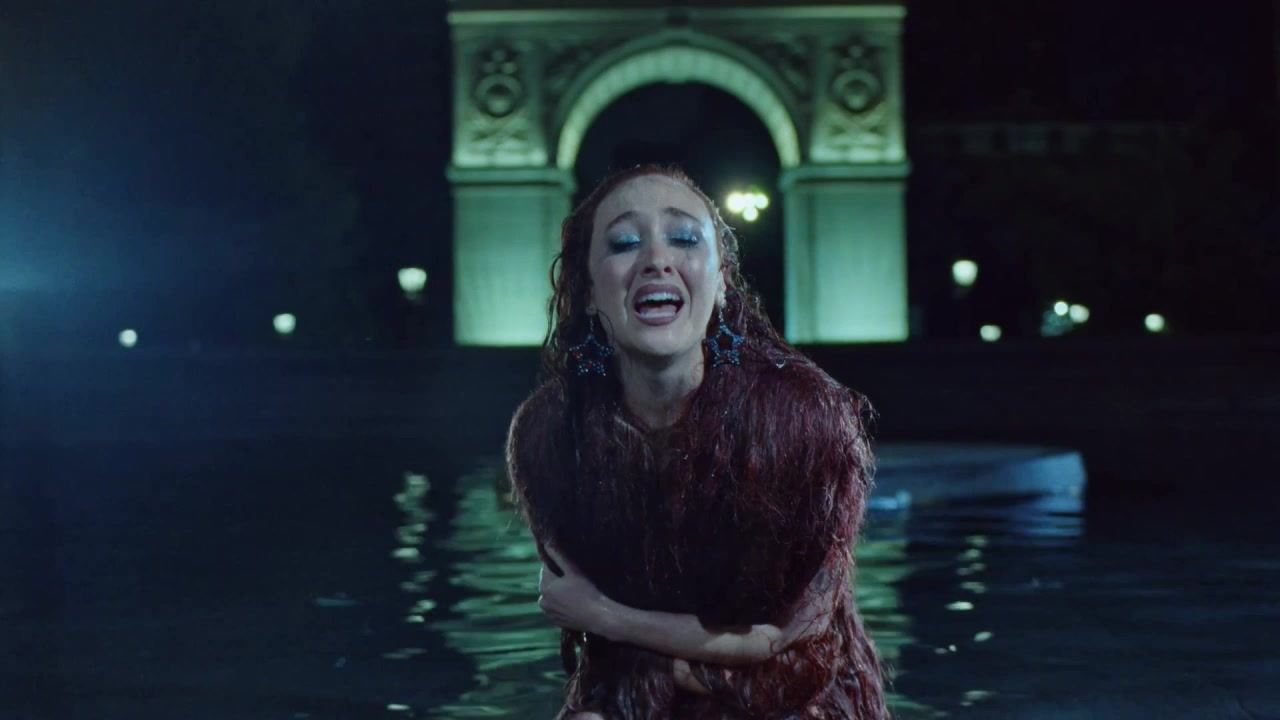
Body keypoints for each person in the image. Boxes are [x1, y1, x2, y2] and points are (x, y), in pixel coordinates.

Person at [506, 165, 888, 719]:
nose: (656, 260)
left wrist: (609, 617)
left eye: (684, 238)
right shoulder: (549, 434)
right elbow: (601, 662)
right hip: (637, 695)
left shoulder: (806, 421)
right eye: (624, 243)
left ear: (723, 279)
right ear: (587, 290)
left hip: (798, 701)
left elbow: (796, 648)